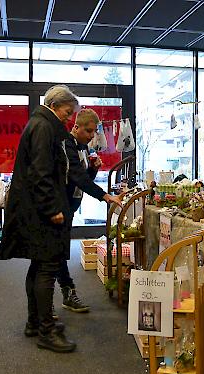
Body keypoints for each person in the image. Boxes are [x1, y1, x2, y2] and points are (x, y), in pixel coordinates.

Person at [0, 84, 78, 353]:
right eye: (68, 112)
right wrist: (52, 208)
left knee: (37, 266)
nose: (70, 118)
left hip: (29, 209)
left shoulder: (38, 124)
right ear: (55, 106)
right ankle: (46, 330)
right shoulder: (44, 128)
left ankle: (35, 322)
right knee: (47, 267)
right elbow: (41, 173)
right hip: (40, 211)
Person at [58, 108, 122, 313]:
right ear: (75, 127)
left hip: (69, 206)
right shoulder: (66, 145)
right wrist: (104, 196)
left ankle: (65, 295)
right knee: (55, 255)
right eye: (88, 131)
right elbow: (77, 177)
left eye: (94, 131)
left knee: (59, 253)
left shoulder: (83, 147)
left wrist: (93, 168)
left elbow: (83, 180)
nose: (92, 136)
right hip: (58, 208)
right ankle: (64, 295)